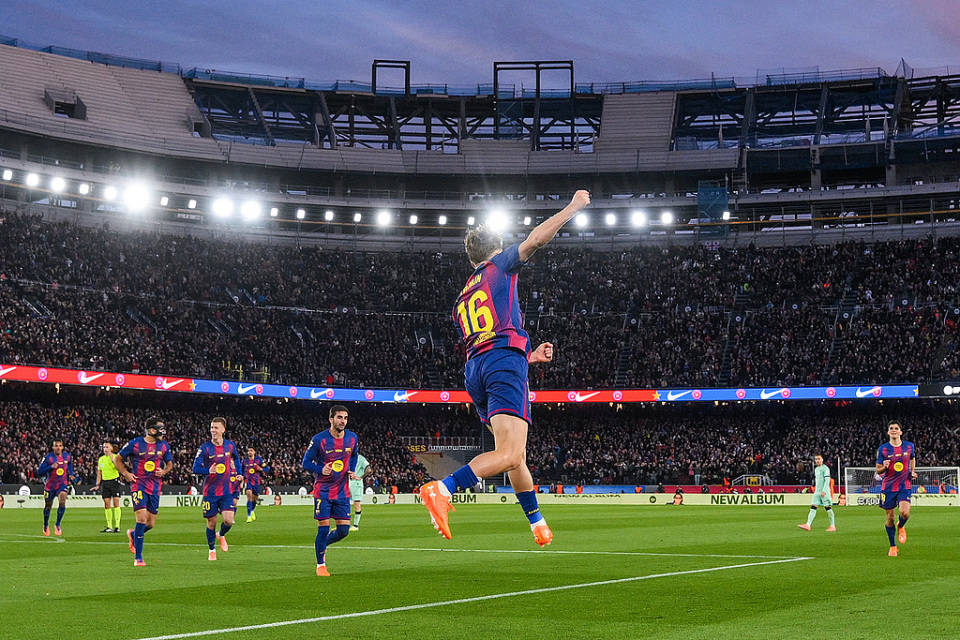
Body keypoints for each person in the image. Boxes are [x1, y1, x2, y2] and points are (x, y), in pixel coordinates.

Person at [419, 190, 591, 546]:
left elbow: (485, 339)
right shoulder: (499, 266)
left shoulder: (462, 298)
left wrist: (528, 356)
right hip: (502, 363)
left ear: (471, 259)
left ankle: (537, 522)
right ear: (496, 249)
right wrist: (573, 207)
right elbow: (536, 240)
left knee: (514, 455)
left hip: (477, 369)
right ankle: (443, 488)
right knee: (510, 453)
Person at [302, 404, 359, 576]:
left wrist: (351, 469)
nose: (343, 421)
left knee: (343, 531)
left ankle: (322, 544)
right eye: (339, 417)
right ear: (331, 419)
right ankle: (321, 565)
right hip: (323, 491)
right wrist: (320, 469)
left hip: (342, 491)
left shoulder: (352, 438)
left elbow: (354, 455)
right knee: (324, 528)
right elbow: (306, 462)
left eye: (345, 418)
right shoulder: (319, 439)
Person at [115, 417, 173, 567]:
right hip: (138, 484)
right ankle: (138, 558)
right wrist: (126, 474)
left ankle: (133, 534)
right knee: (141, 519)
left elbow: (170, 463)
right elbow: (117, 459)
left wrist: (164, 471)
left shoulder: (164, 446)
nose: (163, 431)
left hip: (155, 486)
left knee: (151, 523)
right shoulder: (135, 444)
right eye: (160, 428)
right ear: (152, 430)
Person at [192, 417, 242, 561]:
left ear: (223, 430)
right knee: (211, 522)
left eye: (216, 428)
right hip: (210, 492)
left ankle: (221, 535)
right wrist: (208, 470)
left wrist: (239, 473)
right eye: (212, 427)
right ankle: (212, 550)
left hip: (226, 491)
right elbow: (195, 468)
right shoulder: (205, 448)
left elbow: (236, 458)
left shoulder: (230, 445)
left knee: (229, 521)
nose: (213, 430)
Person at [875, 420, 917, 557]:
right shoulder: (883, 449)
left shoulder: (909, 446)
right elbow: (878, 470)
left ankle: (901, 526)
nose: (894, 430)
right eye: (891, 428)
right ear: (888, 432)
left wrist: (912, 471)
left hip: (905, 485)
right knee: (890, 518)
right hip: (888, 487)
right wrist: (884, 466)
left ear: (900, 432)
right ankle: (893, 546)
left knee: (905, 513)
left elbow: (912, 458)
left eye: (896, 428)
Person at [36, 439, 76, 537]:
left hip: (62, 484)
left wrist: (71, 473)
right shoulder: (48, 458)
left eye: (60, 446)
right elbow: (39, 472)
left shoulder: (67, 456)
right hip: (50, 486)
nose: (58, 447)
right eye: (56, 446)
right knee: (48, 506)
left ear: (62, 447)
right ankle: (46, 524)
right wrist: (50, 467)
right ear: (53, 447)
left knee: (62, 500)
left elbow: (69, 464)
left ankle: (57, 524)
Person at [797, 454, 835, 532]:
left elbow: (827, 480)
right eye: (816, 459)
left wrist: (824, 491)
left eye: (819, 459)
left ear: (822, 460)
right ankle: (808, 525)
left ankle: (832, 526)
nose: (817, 460)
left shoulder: (825, 469)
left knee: (828, 508)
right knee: (813, 507)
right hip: (817, 492)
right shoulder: (816, 469)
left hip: (824, 492)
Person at [92, 441, 123, 533]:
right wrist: (97, 484)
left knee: (116, 503)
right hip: (105, 483)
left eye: (107, 447)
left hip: (114, 481)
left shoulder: (116, 457)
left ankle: (117, 526)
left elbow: (120, 469)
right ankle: (109, 526)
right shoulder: (101, 459)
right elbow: (99, 473)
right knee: (107, 504)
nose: (105, 449)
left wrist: (113, 460)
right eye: (104, 447)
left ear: (111, 448)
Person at [242, 448, 268, 523]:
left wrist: (261, 469)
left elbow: (267, 468)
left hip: (256, 482)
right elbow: (241, 470)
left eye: (251, 451)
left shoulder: (258, 460)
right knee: (249, 496)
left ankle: (252, 510)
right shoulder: (244, 461)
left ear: (254, 452)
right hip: (248, 481)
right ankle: (249, 516)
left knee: (254, 499)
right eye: (248, 451)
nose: (249, 452)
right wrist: (242, 479)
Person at [349, 453, 370, 531]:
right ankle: (344, 525)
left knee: (356, 504)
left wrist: (360, 477)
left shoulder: (361, 458)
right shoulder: (347, 456)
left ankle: (355, 525)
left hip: (356, 484)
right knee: (344, 504)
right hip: (347, 483)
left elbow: (369, 470)